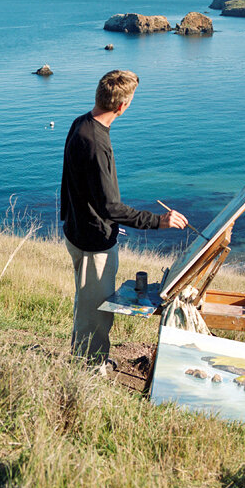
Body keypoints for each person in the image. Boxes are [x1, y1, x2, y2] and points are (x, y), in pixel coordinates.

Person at [60, 69, 187, 370]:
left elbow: (72, 184)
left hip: (76, 230)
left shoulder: (81, 124)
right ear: (122, 106)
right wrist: (159, 221)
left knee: (86, 303)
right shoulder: (97, 143)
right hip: (93, 241)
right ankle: (90, 369)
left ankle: (83, 358)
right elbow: (111, 207)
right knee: (96, 311)